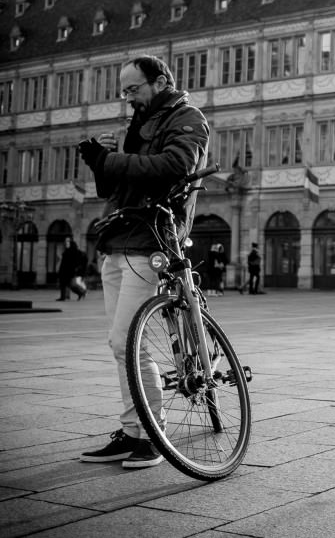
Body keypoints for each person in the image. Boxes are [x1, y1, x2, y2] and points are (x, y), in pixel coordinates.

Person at [76, 54, 209, 469]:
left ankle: (152, 434)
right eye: (125, 91)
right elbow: (115, 187)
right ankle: (133, 430)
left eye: (133, 89)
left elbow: (174, 167)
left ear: (160, 81)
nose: (128, 98)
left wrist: (110, 161)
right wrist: (99, 160)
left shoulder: (187, 117)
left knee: (128, 341)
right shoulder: (139, 123)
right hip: (119, 236)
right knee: (120, 345)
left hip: (150, 237)